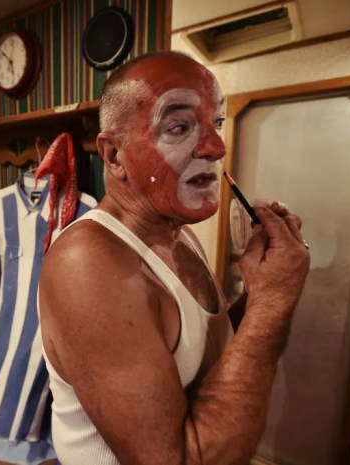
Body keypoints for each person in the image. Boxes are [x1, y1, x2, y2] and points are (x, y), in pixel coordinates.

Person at [37, 51, 310, 465]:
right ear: (114, 156)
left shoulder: (178, 235)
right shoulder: (88, 263)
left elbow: (209, 358)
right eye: (180, 127)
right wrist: (273, 302)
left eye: (217, 123)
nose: (217, 147)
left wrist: (262, 289)